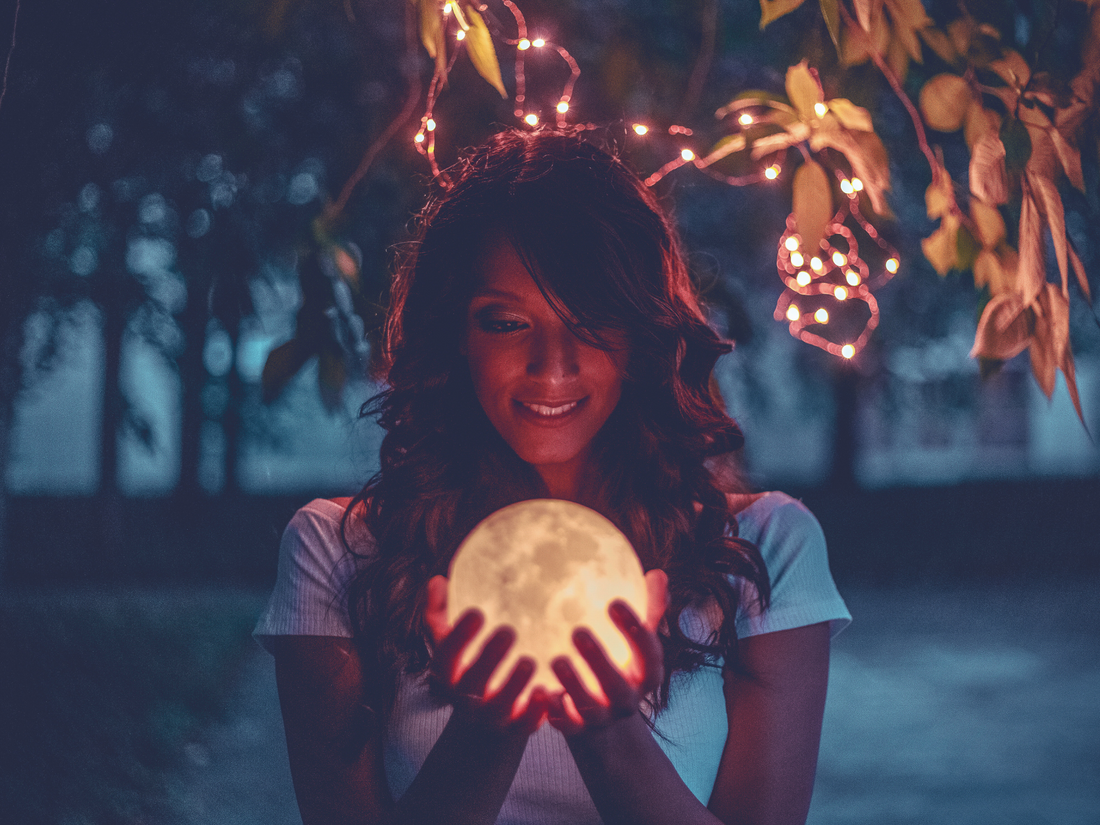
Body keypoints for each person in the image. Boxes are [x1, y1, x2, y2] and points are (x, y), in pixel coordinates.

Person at [254, 128, 851, 825]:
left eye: (592, 320)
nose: (552, 365)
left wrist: (609, 731)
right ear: (456, 333)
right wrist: (487, 727)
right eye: (507, 322)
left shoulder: (763, 548)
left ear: (641, 335)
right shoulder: (339, 551)